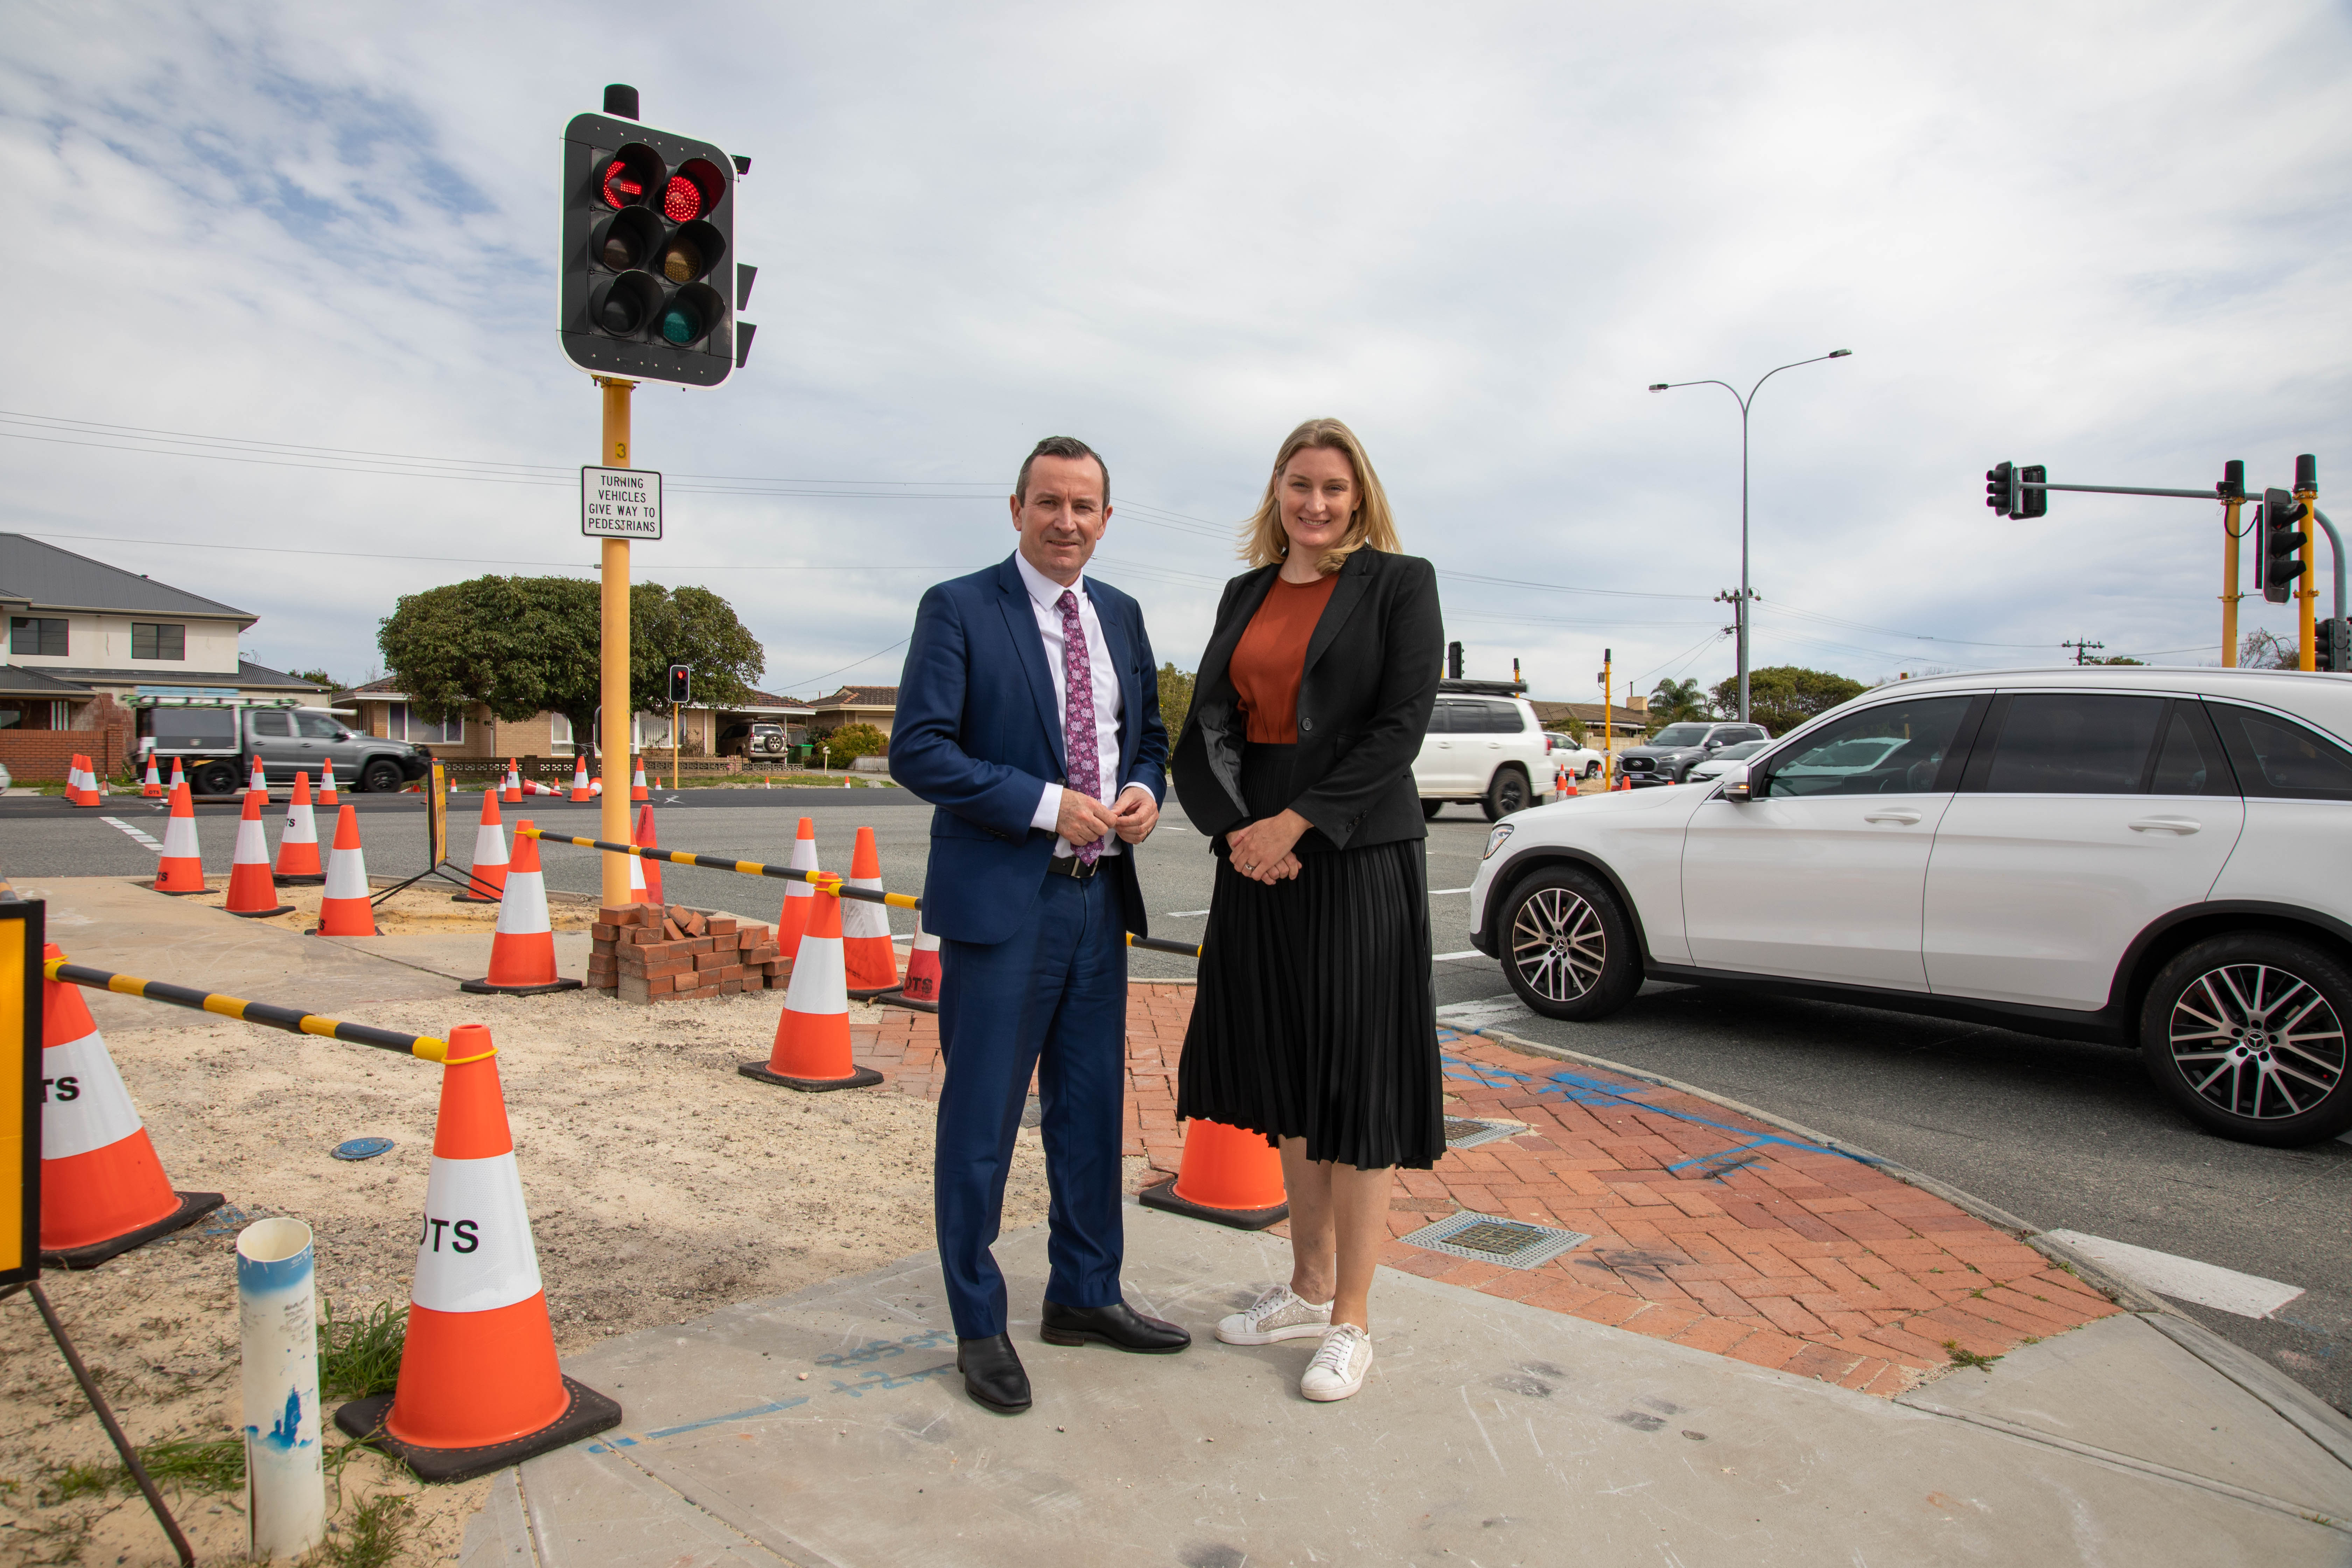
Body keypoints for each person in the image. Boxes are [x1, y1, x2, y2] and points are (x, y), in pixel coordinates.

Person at [892, 435, 1186, 1416]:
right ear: (1016, 508)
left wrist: (1143, 789)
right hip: (1002, 908)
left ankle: (1086, 1294)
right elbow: (920, 750)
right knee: (981, 1124)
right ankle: (979, 1324)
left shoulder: (1121, 615)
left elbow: (1145, 737)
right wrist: (1043, 802)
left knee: (1092, 1113)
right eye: (1050, 503)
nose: (1068, 522)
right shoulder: (960, 608)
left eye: (1085, 507)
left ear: (1107, 519)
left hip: (1099, 902)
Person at [1170, 417, 1444, 1402]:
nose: (1316, 504)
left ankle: (1353, 1321)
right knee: (1288, 1078)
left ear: (1359, 496)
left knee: (1356, 1085)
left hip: (1356, 849)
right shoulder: (1245, 593)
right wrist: (1241, 832)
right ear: (1276, 492)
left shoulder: (1400, 585)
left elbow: (1399, 727)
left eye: (1334, 487)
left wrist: (1299, 824)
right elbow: (1205, 725)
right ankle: (1306, 1283)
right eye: (1299, 485)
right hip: (1257, 856)